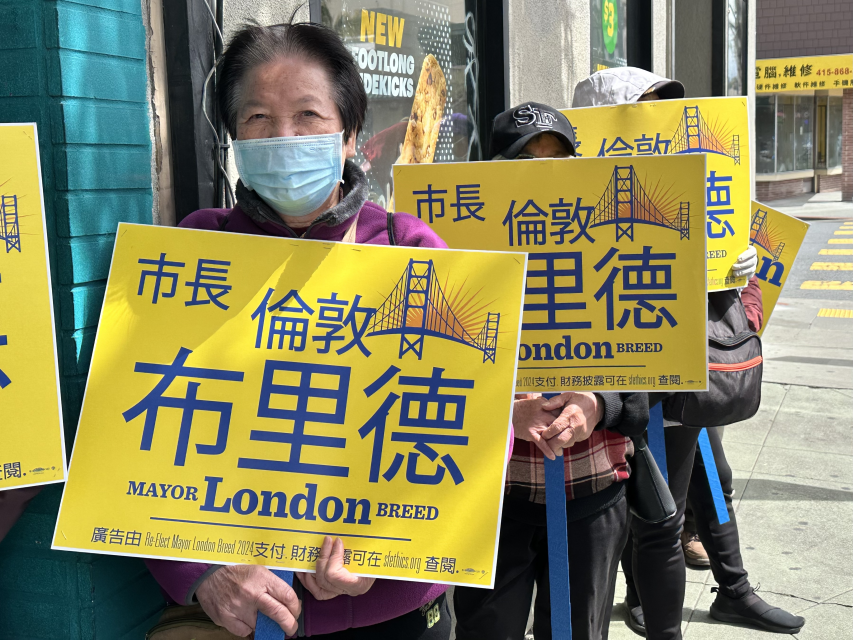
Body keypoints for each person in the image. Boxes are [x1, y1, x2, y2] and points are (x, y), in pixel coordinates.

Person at [144, 21, 453, 638]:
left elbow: (469, 421)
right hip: (242, 612)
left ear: (350, 134)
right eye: (258, 117)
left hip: (393, 613)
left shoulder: (410, 250)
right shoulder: (196, 250)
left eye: (308, 114)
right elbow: (136, 419)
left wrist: (387, 544)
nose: (283, 137)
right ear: (234, 136)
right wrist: (199, 571)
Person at [573, 67, 804, 638]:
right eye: (647, 109)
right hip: (632, 377)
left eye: (666, 109)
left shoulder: (688, 185)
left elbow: (733, 286)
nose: (662, 124)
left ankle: (732, 588)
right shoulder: (578, 199)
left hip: (691, 370)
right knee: (658, 507)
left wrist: (739, 279)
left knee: (709, 479)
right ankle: (654, 600)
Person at [452, 102, 652, 640]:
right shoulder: (460, 252)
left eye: (558, 159)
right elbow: (423, 378)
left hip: (592, 488)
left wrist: (598, 403)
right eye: (526, 161)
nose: (544, 174)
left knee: (579, 630)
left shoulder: (619, 248)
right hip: (493, 497)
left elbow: (652, 371)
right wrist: (503, 415)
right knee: (486, 630)